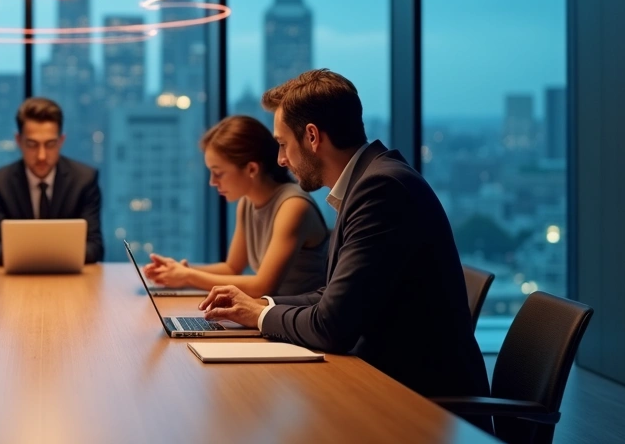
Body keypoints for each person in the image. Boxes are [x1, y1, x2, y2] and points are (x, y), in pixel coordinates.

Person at [198, 69, 489, 399]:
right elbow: (331, 296)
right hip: (387, 383)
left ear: (312, 137)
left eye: (282, 144)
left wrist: (260, 315)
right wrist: (258, 304)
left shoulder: (381, 189)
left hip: (423, 403)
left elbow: (331, 326)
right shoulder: (369, 181)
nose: (280, 160)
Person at [143, 115, 328, 297]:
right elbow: (232, 268)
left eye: (218, 173)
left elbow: (262, 287)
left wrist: (188, 276)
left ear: (252, 169)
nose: (212, 182)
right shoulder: (247, 202)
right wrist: (179, 270)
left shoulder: (293, 206)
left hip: (301, 320)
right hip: (274, 315)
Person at [0, 97, 103, 265]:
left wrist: (38, 256)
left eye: (50, 144)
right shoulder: (0, 182)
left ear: (61, 141)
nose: (41, 156)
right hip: (18, 280)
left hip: (68, 279)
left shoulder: (84, 180)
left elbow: (95, 247)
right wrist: (45, 257)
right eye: (32, 144)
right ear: (19, 141)